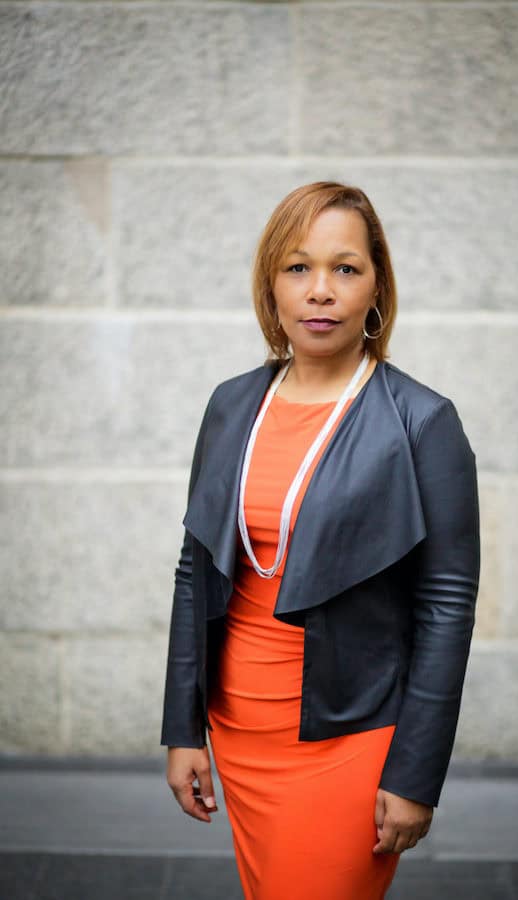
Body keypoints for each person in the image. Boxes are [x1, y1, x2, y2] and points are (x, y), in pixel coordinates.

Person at [160, 181, 481, 899]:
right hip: (238, 725)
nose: (321, 290)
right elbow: (194, 570)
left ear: (376, 286)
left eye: (346, 268)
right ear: (271, 284)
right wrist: (183, 727)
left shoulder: (422, 421)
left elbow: (447, 605)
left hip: (352, 736)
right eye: (298, 267)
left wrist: (416, 773)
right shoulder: (231, 405)